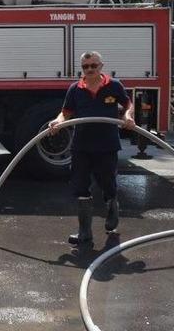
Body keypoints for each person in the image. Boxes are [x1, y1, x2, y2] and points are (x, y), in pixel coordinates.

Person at [49, 51, 135, 246]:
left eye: (93, 66)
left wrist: (128, 117)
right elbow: (65, 113)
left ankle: (112, 205)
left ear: (101, 66)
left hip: (106, 145)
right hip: (82, 146)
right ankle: (84, 232)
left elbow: (128, 104)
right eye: (85, 67)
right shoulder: (75, 89)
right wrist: (57, 121)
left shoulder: (114, 86)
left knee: (107, 183)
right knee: (80, 186)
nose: (89, 69)